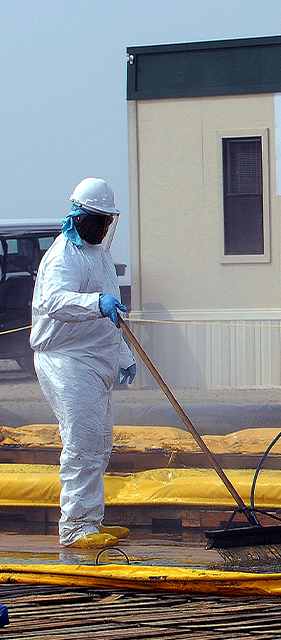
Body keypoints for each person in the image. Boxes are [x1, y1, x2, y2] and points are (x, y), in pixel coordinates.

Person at [30, 177, 137, 549]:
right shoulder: (63, 256)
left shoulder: (101, 257)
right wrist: (95, 303)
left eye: (107, 221)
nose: (102, 228)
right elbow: (54, 301)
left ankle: (90, 521)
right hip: (66, 360)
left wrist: (123, 354)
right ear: (77, 215)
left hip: (97, 360)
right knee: (81, 443)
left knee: (98, 444)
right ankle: (75, 527)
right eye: (96, 220)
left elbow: (112, 317)